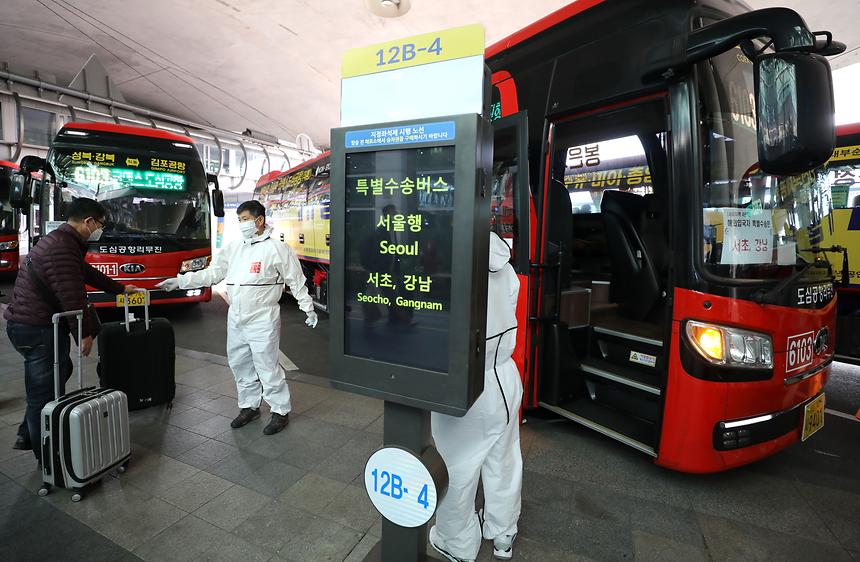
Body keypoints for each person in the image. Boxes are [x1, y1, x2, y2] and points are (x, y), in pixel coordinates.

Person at [157, 200, 317, 435]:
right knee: (240, 363)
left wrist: (308, 307)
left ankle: (280, 411)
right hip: (237, 318)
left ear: (259, 220)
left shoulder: (277, 249)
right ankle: (249, 406)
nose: (242, 224)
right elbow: (213, 274)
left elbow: (296, 280)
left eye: (245, 220)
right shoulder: (234, 248)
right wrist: (180, 281)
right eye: (239, 220)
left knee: (267, 365)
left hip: (263, 317)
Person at [5, 198, 139, 461]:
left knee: (59, 372)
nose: (100, 229)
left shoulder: (63, 242)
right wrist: (84, 334)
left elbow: (86, 273)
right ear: (89, 222)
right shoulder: (63, 247)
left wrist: (121, 289)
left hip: (28, 323)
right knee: (42, 393)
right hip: (37, 328)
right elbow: (72, 295)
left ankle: (27, 433)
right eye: (100, 224)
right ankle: (46, 458)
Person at [429, 231, 523, 562]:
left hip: (465, 382)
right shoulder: (504, 264)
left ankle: (456, 543)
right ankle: (503, 536)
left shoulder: (445, 260)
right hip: (505, 375)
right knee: (505, 458)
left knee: (457, 466)